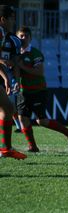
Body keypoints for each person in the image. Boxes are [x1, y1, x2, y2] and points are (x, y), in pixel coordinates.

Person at [16, 26, 68, 153]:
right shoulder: (16, 54)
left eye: (26, 36)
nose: (23, 38)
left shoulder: (35, 53)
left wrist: (21, 66)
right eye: (21, 36)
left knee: (41, 121)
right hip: (24, 91)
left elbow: (40, 72)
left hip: (38, 91)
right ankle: (33, 146)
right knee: (23, 118)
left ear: (30, 38)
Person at [0, 5, 27, 160]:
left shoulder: (5, 35)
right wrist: (5, 71)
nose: (13, 21)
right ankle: (6, 148)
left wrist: (6, 78)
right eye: (11, 18)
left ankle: (6, 148)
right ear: (3, 19)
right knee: (7, 108)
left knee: (8, 108)